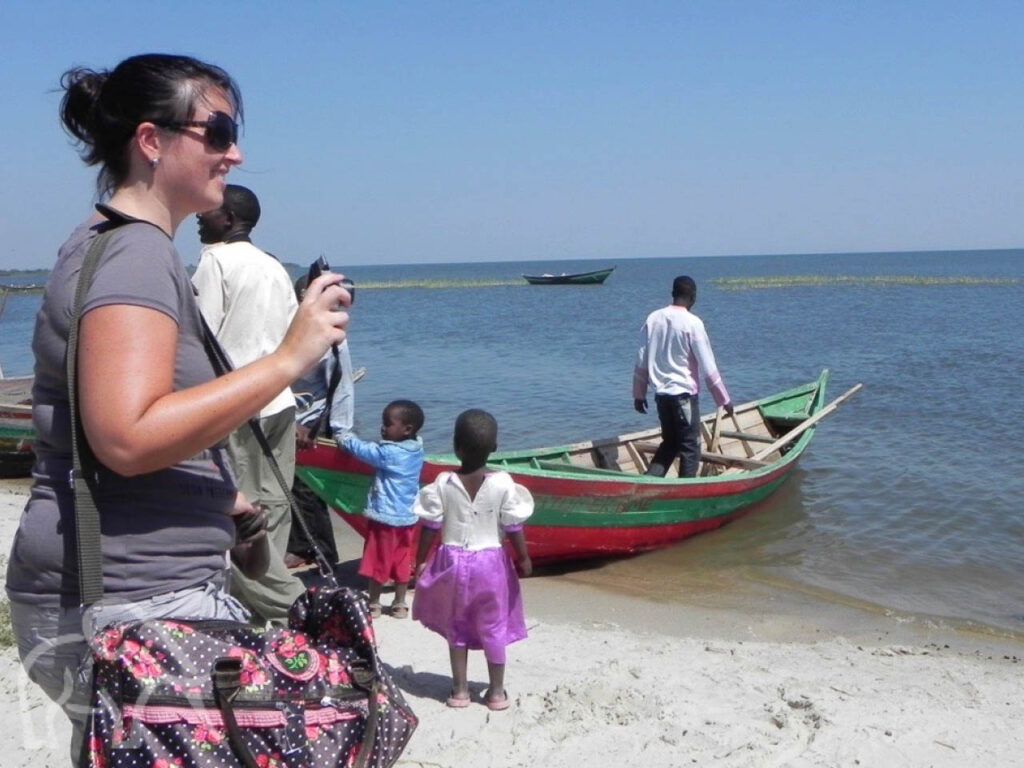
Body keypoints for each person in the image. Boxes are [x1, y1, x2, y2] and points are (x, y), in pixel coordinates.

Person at [4, 53, 350, 762]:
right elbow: (126, 437)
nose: (236, 151)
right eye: (218, 131)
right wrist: (288, 359)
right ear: (152, 141)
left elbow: (119, 418)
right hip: (132, 598)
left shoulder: (128, 247)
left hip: (135, 588)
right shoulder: (134, 255)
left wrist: (213, 495)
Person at [192, 184, 306, 624]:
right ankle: (268, 610)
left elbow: (200, 337)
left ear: (230, 219)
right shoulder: (274, 267)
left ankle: (280, 602)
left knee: (234, 505)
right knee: (274, 503)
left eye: (210, 211)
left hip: (234, 399)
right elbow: (292, 334)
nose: (201, 217)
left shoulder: (214, 261)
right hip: (278, 397)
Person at [412, 409, 533, 712]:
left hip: (451, 562)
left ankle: (460, 690)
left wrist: (420, 561)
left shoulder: (443, 483)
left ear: (456, 446)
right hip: (490, 564)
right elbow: (514, 526)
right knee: (494, 627)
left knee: (457, 627)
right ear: (494, 448)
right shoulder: (504, 484)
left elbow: (430, 526)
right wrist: (525, 558)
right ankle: (496, 692)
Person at [286, 274, 356, 568]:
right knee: (287, 485)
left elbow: (342, 386)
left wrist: (342, 432)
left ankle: (326, 555)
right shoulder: (285, 326)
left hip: (314, 419)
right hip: (286, 416)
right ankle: (301, 547)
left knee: (309, 489)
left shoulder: (333, 337)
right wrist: (288, 422)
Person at [632, 275, 734, 478]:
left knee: (669, 443)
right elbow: (708, 366)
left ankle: (649, 483)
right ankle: (685, 492)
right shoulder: (693, 323)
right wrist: (724, 400)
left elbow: (641, 359)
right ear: (693, 297)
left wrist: (639, 394)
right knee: (691, 447)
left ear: (672, 294)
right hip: (683, 398)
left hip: (661, 397)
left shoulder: (653, 319)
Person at [340, 400, 425, 618]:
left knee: (377, 558)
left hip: (385, 517)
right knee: (402, 559)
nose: (382, 428)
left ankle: (374, 603)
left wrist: (344, 437)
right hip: (407, 517)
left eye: (388, 424)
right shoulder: (416, 450)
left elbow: (362, 450)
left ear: (407, 429)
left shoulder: (388, 453)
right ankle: (399, 603)